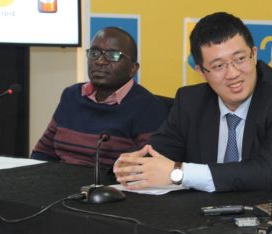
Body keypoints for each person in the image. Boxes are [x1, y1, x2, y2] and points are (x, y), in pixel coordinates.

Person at [114, 11, 272, 202]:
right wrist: (132, 165)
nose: (233, 73)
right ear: (201, 71)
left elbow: (268, 172)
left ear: (254, 54)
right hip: (218, 215)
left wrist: (179, 173)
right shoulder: (190, 102)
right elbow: (158, 152)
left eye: (240, 59)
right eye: (218, 66)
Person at [31, 27, 170, 168]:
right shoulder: (71, 95)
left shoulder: (148, 107)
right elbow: (42, 153)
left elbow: (147, 167)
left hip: (111, 181)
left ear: (133, 68)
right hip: (61, 178)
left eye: (113, 55)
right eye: (94, 53)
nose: (100, 61)